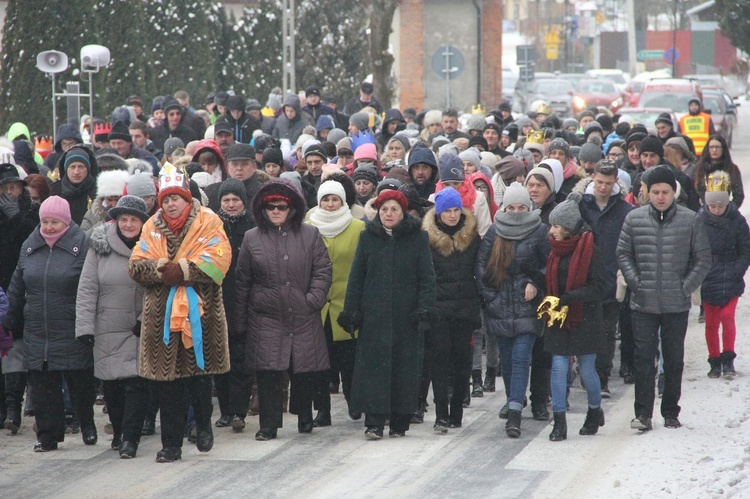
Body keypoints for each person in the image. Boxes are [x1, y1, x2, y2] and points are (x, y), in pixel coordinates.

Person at [129, 164, 232, 462]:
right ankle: (170, 445)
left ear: (188, 199)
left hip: (200, 313)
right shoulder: (151, 226)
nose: (171, 204)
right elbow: (136, 265)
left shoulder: (209, 222)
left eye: (176, 198)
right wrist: (163, 271)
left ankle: (203, 426)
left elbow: (220, 259)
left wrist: (185, 270)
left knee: (199, 379)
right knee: (168, 385)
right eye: (166, 199)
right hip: (161, 316)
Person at [235, 179, 332, 441]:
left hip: (302, 313)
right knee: (268, 373)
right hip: (265, 316)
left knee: (303, 368)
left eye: (282, 206)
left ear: (293, 209)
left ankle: (304, 417)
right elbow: (242, 281)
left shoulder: (310, 234)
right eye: (270, 206)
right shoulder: (251, 238)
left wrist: (313, 300)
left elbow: (323, 270)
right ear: (262, 209)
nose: (276, 210)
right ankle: (268, 425)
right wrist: (241, 321)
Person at [617, 166, 711, 431]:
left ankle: (670, 410)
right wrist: (636, 282)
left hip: (675, 303)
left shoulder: (690, 220)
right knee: (643, 359)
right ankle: (643, 413)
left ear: (674, 193)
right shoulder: (634, 219)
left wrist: (685, 287)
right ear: (647, 193)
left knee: (673, 359)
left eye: (665, 192)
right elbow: (624, 253)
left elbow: (702, 258)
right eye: (655, 192)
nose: (660, 197)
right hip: (643, 303)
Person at [338, 189, 436, 439]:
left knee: (404, 367)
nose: (388, 214)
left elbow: (426, 278)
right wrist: (351, 310)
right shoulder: (368, 237)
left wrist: (424, 309)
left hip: (407, 316)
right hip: (374, 316)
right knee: (373, 368)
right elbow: (356, 277)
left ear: (403, 212)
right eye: (384, 209)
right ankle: (374, 422)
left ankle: (400, 421)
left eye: (394, 209)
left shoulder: (418, 238)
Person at [3, 196, 97, 452]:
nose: (49, 226)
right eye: (45, 221)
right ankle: (48, 435)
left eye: (54, 221)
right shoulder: (30, 245)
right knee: (44, 387)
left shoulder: (83, 244)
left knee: (80, 381)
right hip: (38, 327)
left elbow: (90, 285)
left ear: (66, 221)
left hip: (70, 324)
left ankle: (86, 421)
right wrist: (9, 317)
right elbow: (17, 283)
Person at [75, 196, 150, 458]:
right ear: (116, 221)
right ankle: (118, 433)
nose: (129, 224)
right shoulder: (100, 247)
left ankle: (131, 438)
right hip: (107, 325)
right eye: (124, 219)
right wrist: (85, 327)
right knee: (113, 387)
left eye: (134, 219)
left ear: (143, 222)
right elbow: (87, 288)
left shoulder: (152, 246)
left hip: (140, 326)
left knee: (136, 385)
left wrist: (148, 320)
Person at [476, 183, 550, 437]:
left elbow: (548, 267)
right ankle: (513, 399)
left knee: (521, 359)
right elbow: (482, 269)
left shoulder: (540, 232)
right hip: (500, 309)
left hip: (528, 309)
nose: (517, 212)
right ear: (504, 208)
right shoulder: (495, 232)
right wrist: (492, 299)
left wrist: (535, 284)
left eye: (522, 207)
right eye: (511, 207)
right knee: (507, 362)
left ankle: (515, 414)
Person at [543, 191, 608, 441]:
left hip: (586, 318)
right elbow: (550, 281)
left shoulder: (590, 250)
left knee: (586, 369)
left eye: (556, 226)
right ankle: (559, 422)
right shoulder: (554, 250)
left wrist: (571, 297)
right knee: (559, 368)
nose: (551, 231)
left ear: (569, 228)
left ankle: (594, 410)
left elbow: (600, 287)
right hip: (559, 317)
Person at [422, 188, 480, 433]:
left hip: (465, 310)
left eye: (456, 210)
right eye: (447, 211)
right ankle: (441, 415)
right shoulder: (427, 239)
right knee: (439, 362)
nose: (453, 215)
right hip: (439, 310)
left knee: (462, 362)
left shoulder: (473, 237)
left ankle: (457, 411)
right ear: (439, 213)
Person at [308, 181, 366, 425]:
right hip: (317, 307)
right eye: (325, 200)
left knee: (350, 360)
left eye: (335, 200)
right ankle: (322, 410)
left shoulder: (358, 227)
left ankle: (355, 401)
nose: (330, 205)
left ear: (344, 202)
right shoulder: (308, 228)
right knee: (320, 364)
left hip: (347, 306)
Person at [579, 160, 634, 396]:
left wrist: (625, 272)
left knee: (608, 331)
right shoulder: (581, 206)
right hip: (583, 280)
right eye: (600, 182)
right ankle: (586, 373)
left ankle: (601, 377)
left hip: (612, 279)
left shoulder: (625, 211)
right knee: (584, 329)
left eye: (608, 183)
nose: (603, 187)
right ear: (593, 178)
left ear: (615, 183)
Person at [213, 179, 255, 432]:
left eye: (235, 200)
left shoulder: (253, 226)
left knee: (241, 358)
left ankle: (239, 410)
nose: (230, 204)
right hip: (219, 299)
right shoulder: (212, 227)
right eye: (226, 200)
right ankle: (226, 410)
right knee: (221, 358)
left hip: (247, 299)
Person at [0, 164, 39, 435]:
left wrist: (16, 219)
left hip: (24, 289)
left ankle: (15, 407)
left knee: (18, 349)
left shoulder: (31, 213)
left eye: (14, 188)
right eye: (4, 189)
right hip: (1, 288)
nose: (9, 193)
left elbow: (32, 241)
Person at [699, 172, 750, 378]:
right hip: (708, 276)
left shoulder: (737, 221)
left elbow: (746, 249)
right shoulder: (699, 221)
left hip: (730, 274)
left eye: (721, 206)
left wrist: (738, 269)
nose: (717, 210)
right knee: (711, 322)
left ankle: (728, 357)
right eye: (713, 206)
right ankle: (714, 360)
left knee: (727, 316)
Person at [50, 145, 99, 225]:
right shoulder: (54, 191)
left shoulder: (97, 192)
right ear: (66, 169)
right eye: (72, 167)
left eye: (81, 167)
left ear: (88, 169)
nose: (76, 172)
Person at [694, 135, 744, 208]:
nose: (714, 150)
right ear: (707, 149)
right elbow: (691, 192)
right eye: (711, 147)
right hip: (702, 213)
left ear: (723, 149)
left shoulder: (731, 168)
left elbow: (739, 195)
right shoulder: (698, 168)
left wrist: (728, 210)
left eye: (717, 147)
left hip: (724, 213)